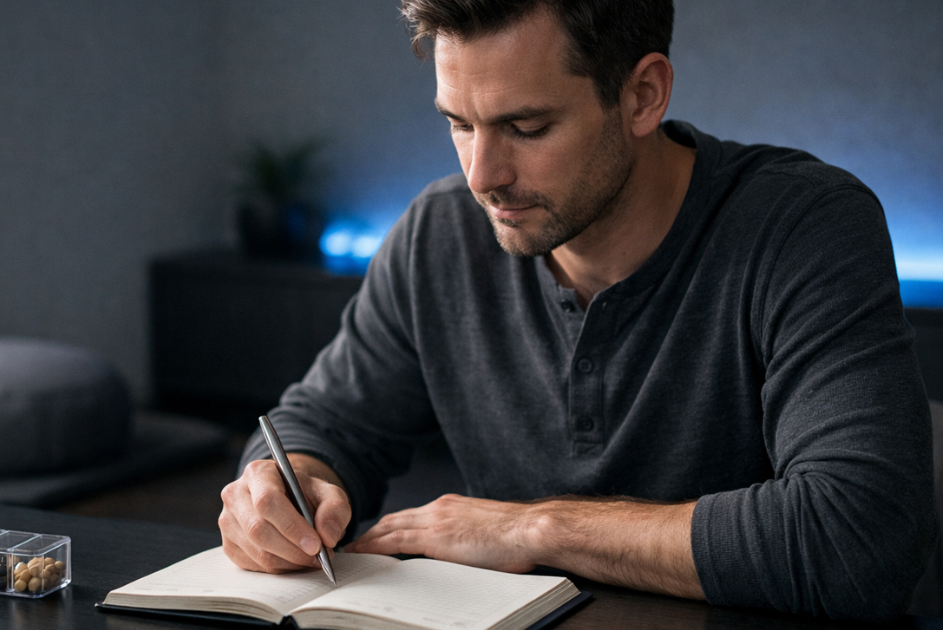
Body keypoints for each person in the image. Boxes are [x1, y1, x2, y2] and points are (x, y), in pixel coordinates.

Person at [217, 0, 937, 620]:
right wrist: (283, 488)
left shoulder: (803, 227)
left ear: (642, 97)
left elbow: (860, 539)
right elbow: (324, 423)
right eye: (459, 123)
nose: (482, 176)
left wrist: (538, 529)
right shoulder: (437, 235)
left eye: (526, 129)